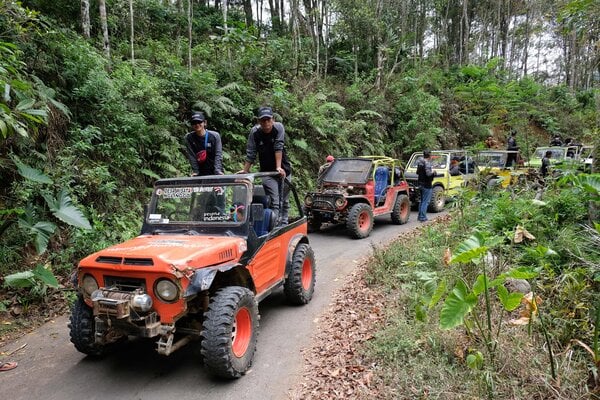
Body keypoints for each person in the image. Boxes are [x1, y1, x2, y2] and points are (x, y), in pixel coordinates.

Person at [239, 106, 292, 225]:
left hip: (284, 170)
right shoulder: (255, 132)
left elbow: (278, 147)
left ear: (273, 119)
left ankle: (284, 224)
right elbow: (251, 152)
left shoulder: (279, 128)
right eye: (263, 120)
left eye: (268, 120)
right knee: (274, 201)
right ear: (259, 121)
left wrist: (279, 167)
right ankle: (274, 226)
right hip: (267, 172)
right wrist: (245, 170)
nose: (266, 123)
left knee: (285, 201)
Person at [184, 112, 224, 176]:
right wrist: (196, 171)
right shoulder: (189, 138)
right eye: (194, 123)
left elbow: (218, 154)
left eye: (199, 122)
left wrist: (217, 170)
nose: (197, 125)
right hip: (200, 172)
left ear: (205, 122)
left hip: (215, 170)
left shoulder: (215, 136)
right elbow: (191, 156)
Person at [416, 150, 436, 222]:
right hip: (427, 185)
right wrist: (433, 172)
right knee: (425, 201)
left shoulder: (420, 163)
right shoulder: (427, 163)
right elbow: (428, 174)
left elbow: (417, 172)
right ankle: (422, 217)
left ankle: (419, 216)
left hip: (420, 183)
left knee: (421, 201)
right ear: (429, 156)